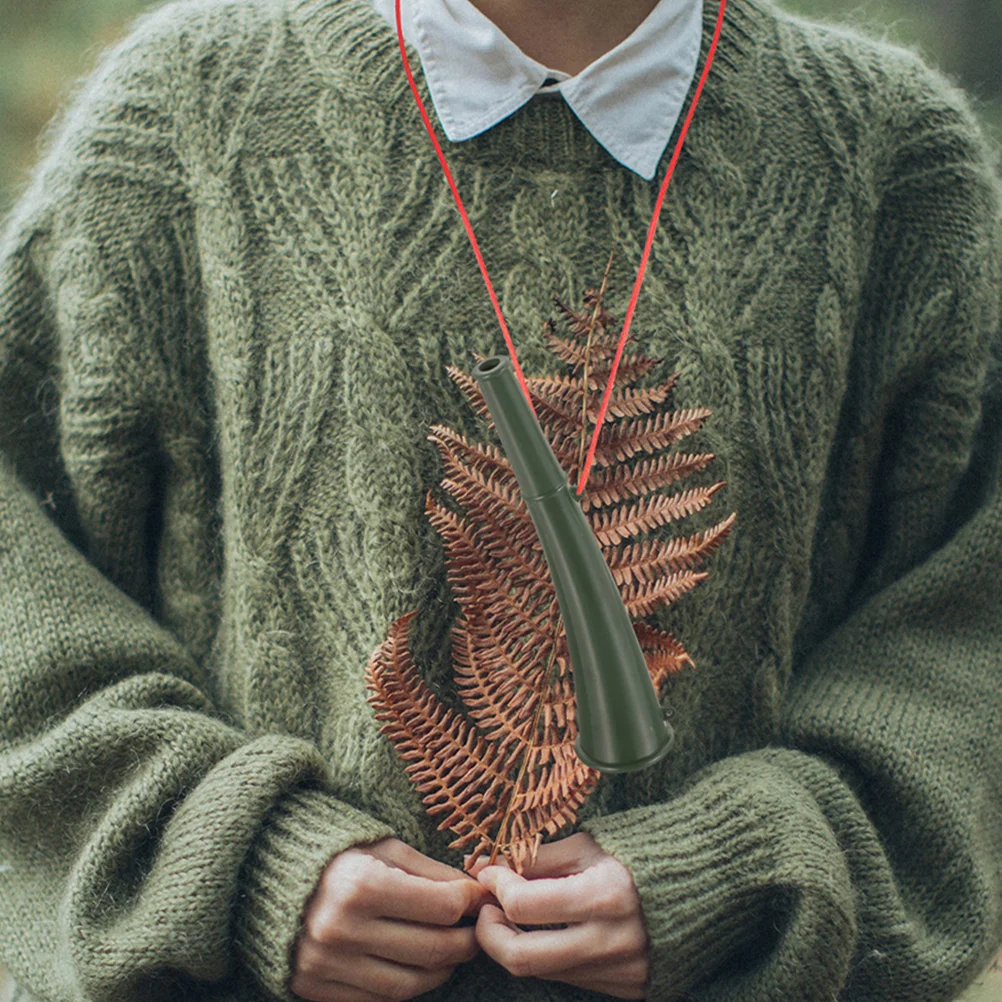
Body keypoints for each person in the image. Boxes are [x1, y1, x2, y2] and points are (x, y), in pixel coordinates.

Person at [0, 0, 1000, 999]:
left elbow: (967, 647)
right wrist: (234, 856)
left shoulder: (889, 157)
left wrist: (746, 870)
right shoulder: (190, 112)